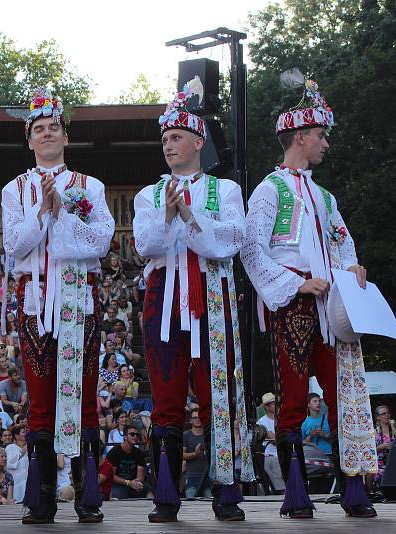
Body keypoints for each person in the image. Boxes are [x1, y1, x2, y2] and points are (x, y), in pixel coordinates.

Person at [241, 77, 377, 519]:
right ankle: (295, 492)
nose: (325, 145)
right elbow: (251, 248)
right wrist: (294, 283)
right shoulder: (269, 190)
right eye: (320, 136)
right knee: (293, 393)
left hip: (332, 305)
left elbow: (343, 242)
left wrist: (352, 267)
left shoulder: (324, 196)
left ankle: (354, 486)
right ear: (300, 137)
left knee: (342, 391)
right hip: (295, 303)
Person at [133, 82, 253, 522]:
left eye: (176, 137)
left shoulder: (225, 191)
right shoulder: (150, 194)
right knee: (165, 396)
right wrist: (168, 214)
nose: (168, 145)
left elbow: (233, 241)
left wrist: (189, 215)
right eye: (164, 139)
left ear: (198, 142)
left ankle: (226, 488)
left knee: (217, 391)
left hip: (212, 297)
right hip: (163, 297)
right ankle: (166, 492)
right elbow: (145, 246)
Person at [1, 87, 114, 525]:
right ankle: (42, 495)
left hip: (78, 297)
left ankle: (88, 494)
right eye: (39, 129)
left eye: (54, 128)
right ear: (29, 140)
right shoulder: (16, 189)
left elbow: (101, 241)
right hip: (34, 300)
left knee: (85, 395)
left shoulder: (90, 186)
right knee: (41, 397)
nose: (47, 134)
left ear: (65, 136)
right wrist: (42, 213)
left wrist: (62, 212)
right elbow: (15, 244)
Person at [106, 428, 147, 499]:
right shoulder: (114, 452)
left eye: (137, 435)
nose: (135, 437)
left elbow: (140, 476)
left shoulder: (139, 453)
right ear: (125, 436)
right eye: (132, 434)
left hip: (133, 483)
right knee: (119, 496)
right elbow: (111, 476)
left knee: (148, 492)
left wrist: (137, 483)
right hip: (118, 484)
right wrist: (128, 483)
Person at [257, 393, 285, 493]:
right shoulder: (261, 422)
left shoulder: (282, 419)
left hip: (282, 453)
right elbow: (275, 440)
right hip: (270, 455)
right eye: (273, 404)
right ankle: (282, 491)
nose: (276, 406)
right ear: (266, 407)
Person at [373, 404, 396, 482]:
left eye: (388, 413)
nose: (387, 415)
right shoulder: (374, 432)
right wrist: (382, 447)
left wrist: (393, 427)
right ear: (378, 417)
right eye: (384, 414)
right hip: (381, 465)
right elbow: (370, 452)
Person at [183, 409, 211, 498]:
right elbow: (182, 455)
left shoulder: (208, 435)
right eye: (195, 418)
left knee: (209, 503)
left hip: (208, 477)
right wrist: (195, 454)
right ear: (190, 420)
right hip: (192, 476)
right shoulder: (186, 435)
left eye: (199, 417)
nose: (197, 419)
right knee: (190, 502)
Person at [5, 427, 28, 503]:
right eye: (23, 432)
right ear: (17, 436)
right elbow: (10, 463)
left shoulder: (30, 447)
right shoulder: (10, 447)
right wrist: (22, 452)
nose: (26, 434)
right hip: (16, 480)